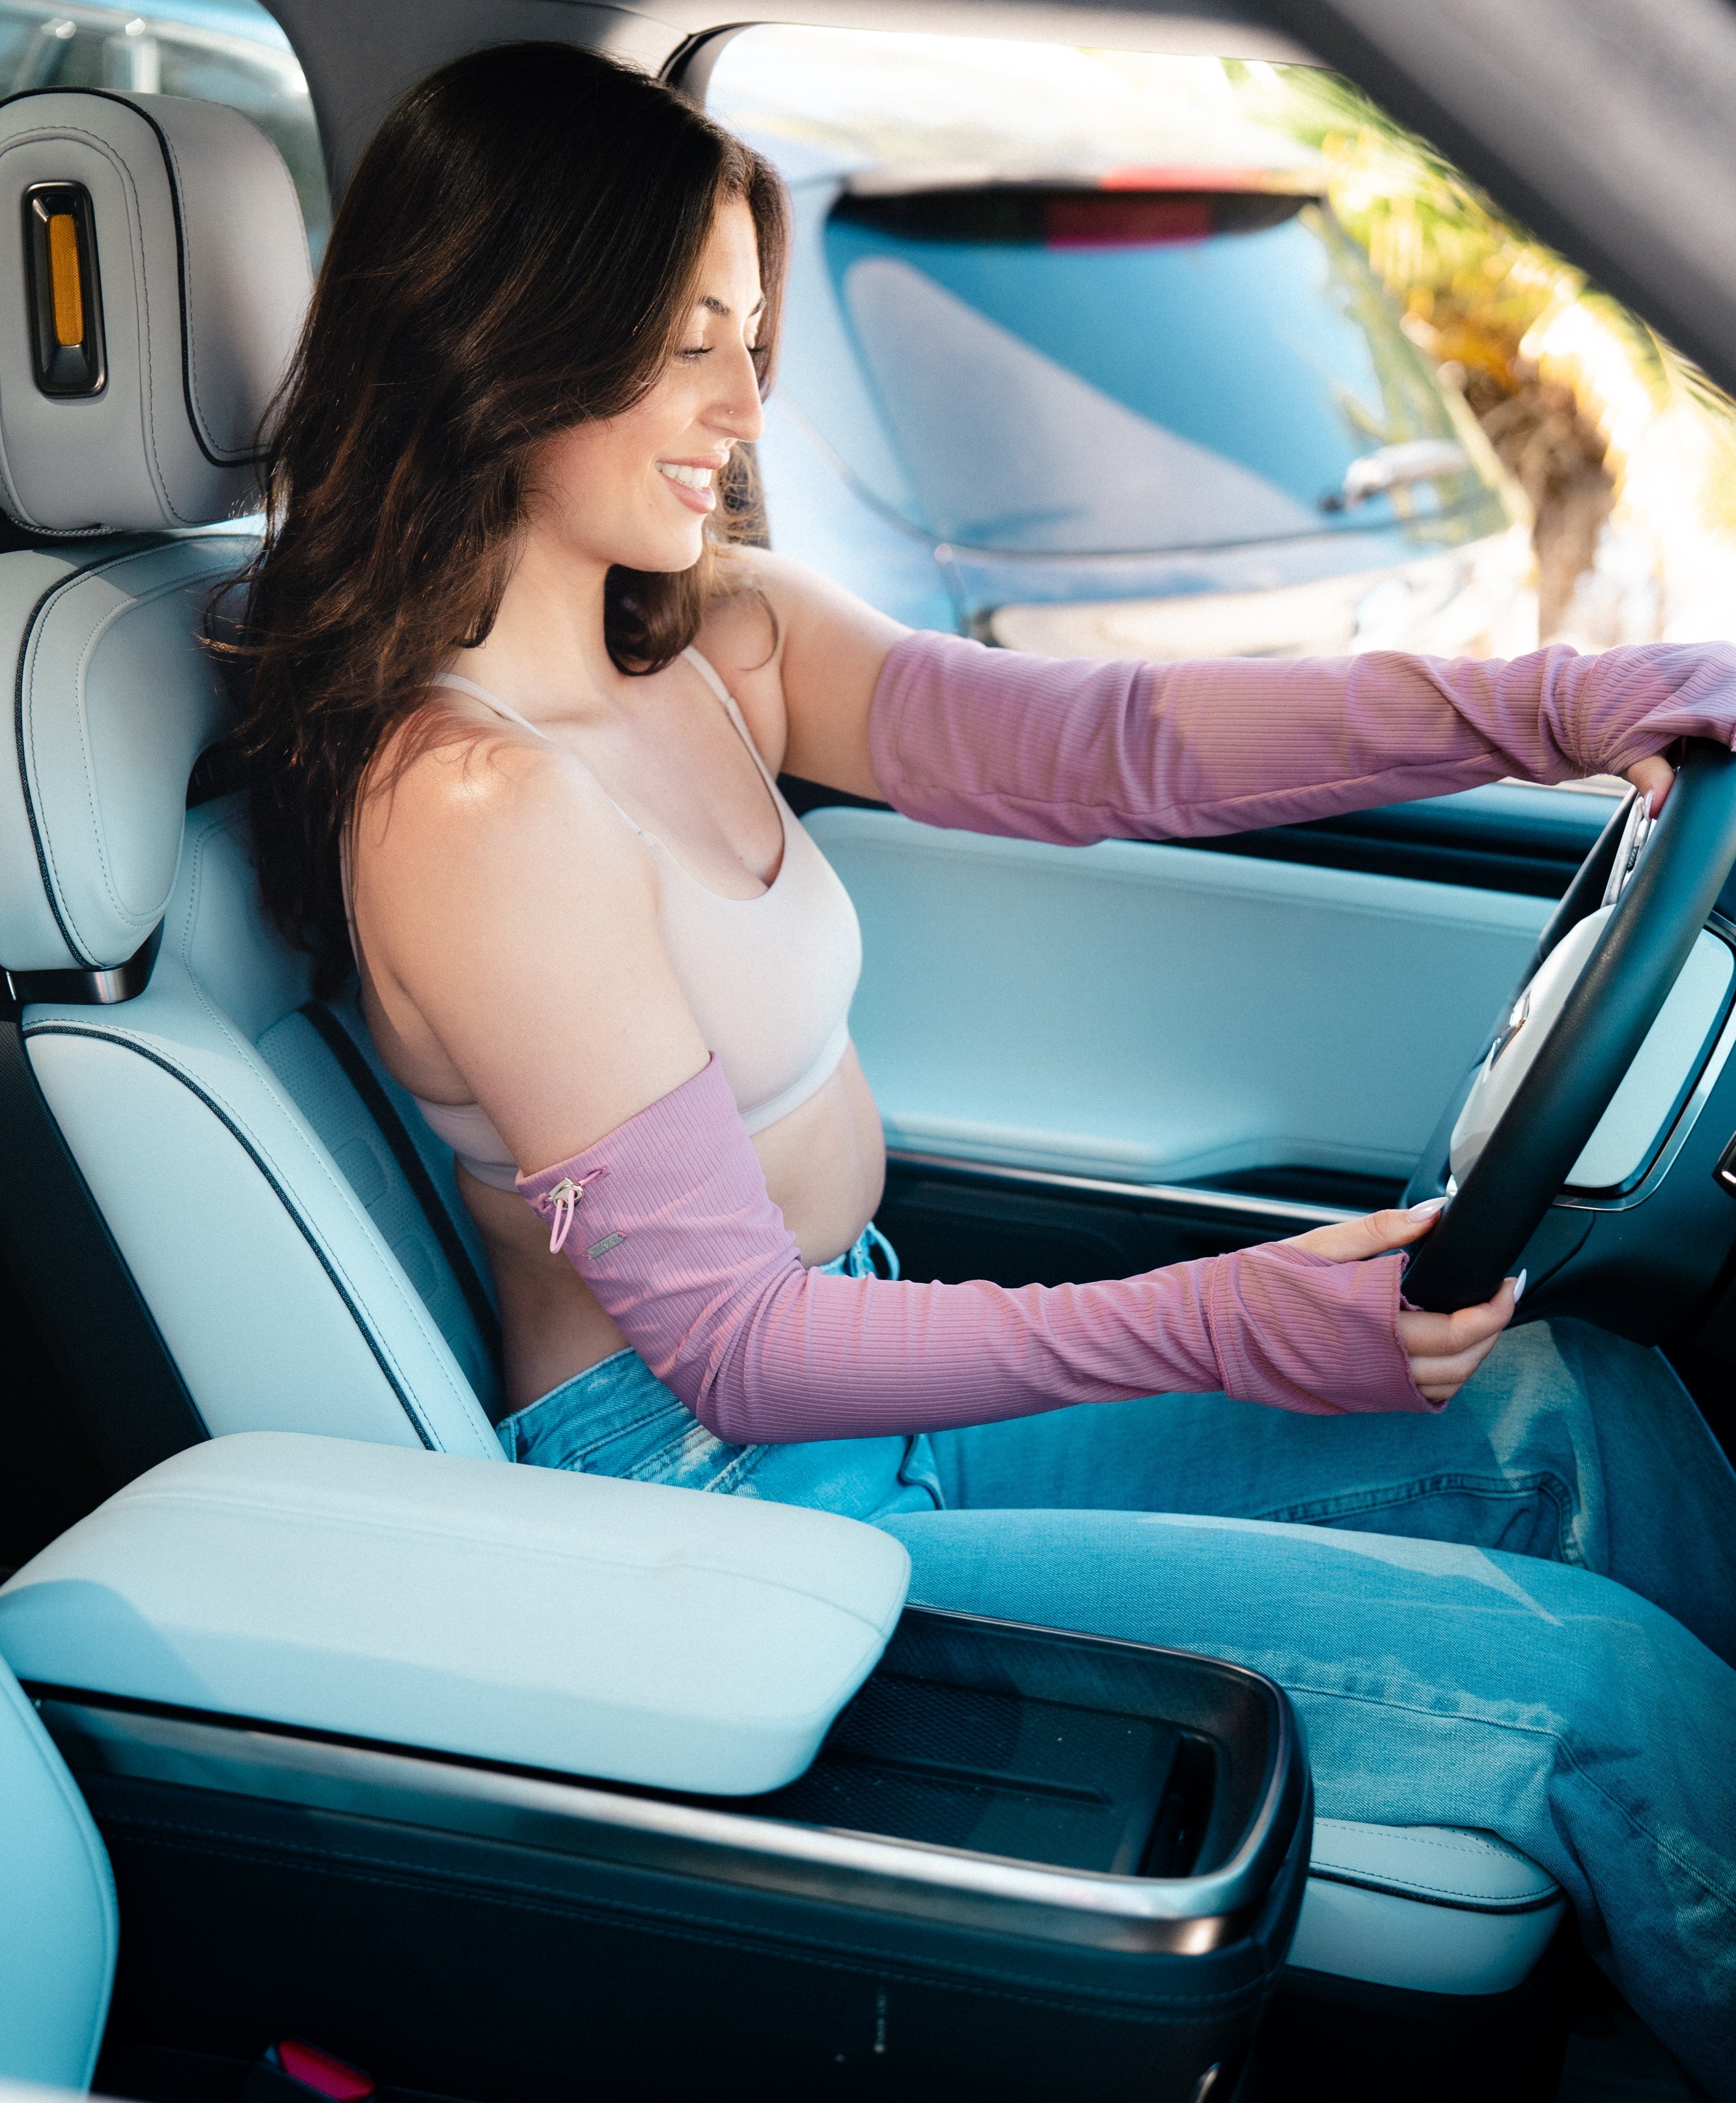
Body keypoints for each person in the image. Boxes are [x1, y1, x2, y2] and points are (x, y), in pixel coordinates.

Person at [234, 41, 1736, 2087]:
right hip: (719, 1515)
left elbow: (1110, 748)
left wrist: (1558, 700)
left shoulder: (712, 640)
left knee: (1580, 1409)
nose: (742, 410)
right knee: (1585, 1688)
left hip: (878, 1382)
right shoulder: (470, 807)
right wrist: (1226, 1315)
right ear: (507, 336)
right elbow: (737, 1355)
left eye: (749, 340)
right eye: (681, 348)